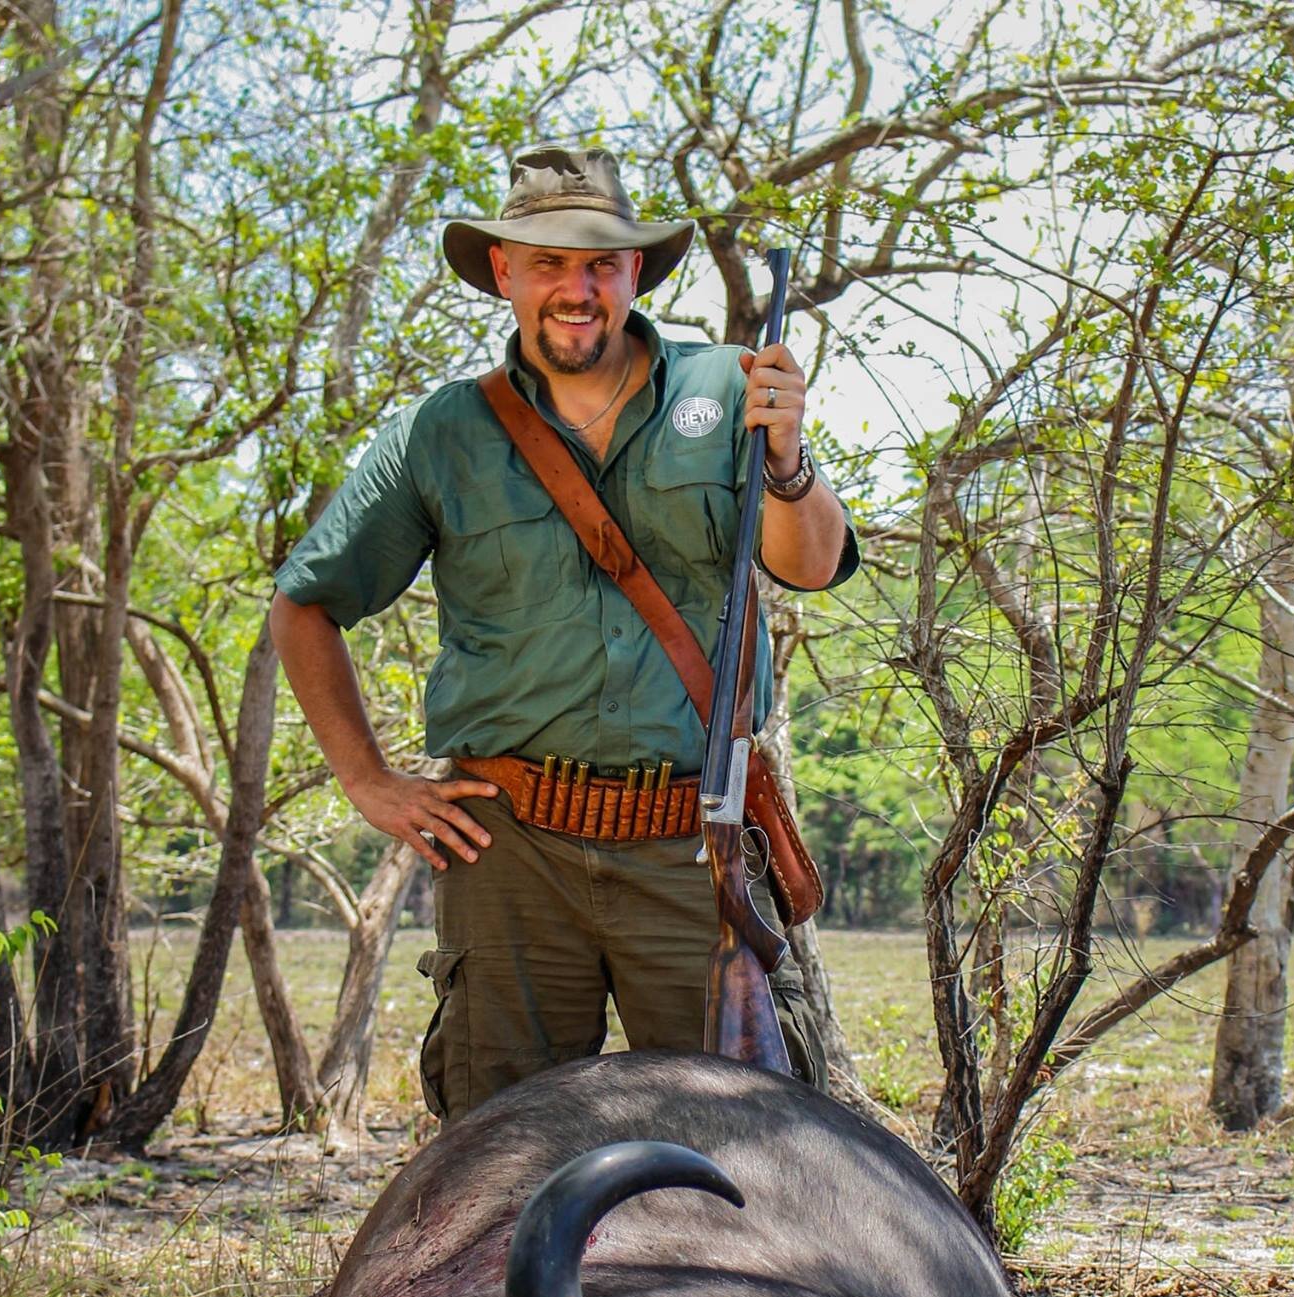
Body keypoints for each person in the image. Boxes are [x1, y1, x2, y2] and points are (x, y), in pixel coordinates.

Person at [269, 143, 858, 1122]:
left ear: (636, 271)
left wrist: (789, 461)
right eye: (547, 262)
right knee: (502, 1160)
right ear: (504, 271)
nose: (576, 288)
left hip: (694, 841)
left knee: (751, 1147)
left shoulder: (731, 387)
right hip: (511, 856)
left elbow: (811, 561)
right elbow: (305, 603)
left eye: (599, 263)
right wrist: (370, 782)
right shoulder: (440, 432)